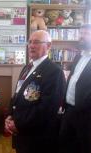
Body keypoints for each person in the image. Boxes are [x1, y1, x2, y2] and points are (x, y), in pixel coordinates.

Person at [5, 30, 66, 153]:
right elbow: (17, 94)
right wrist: (10, 115)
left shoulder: (54, 72)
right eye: (30, 42)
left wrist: (19, 124)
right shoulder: (27, 67)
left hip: (37, 138)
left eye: (37, 42)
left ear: (48, 46)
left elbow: (47, 108)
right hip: (22, 134)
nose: (31, 46)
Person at [59, 24, 91, 153]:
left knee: (83, 147)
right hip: (69, 110)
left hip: (86, 115)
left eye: (86, 34)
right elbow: (73, 79)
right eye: (80, 34)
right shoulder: (79, 55)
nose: (81, 37)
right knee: (64, 144)